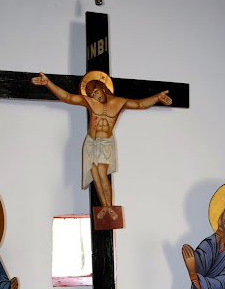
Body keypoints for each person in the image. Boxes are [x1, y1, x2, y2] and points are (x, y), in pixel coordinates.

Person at [31, 71, 172, 220]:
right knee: (95, 173)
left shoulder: (119, 102)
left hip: (106, 142)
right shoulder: (90, 102)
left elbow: (139, 104)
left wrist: (157, 98)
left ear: (103, 88)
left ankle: (109, 207)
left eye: (96, 92)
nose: (95, 97)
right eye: (92, 95)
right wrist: (48, 83)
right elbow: (68, 97)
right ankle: (105, 207)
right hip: (91, 142)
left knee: (102, 171)